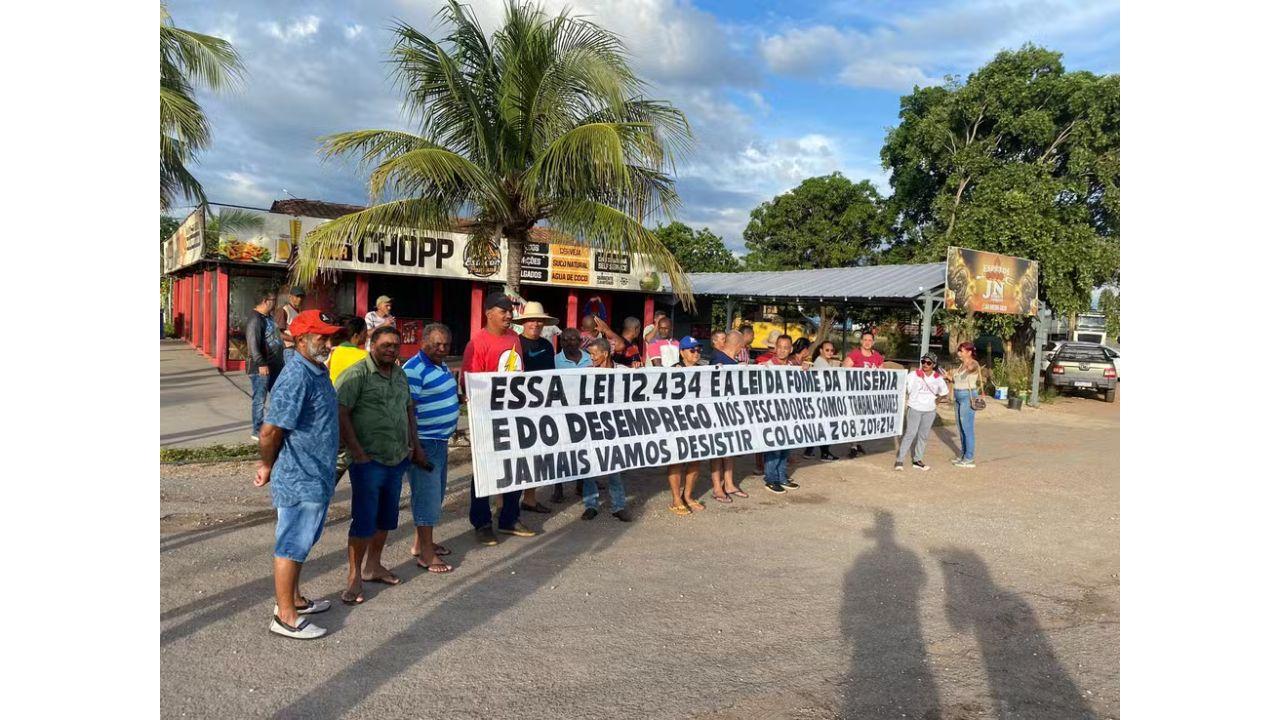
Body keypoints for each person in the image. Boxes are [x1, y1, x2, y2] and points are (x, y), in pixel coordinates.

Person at [253, 309, 343, 639]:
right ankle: (285, 616)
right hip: (299, 476)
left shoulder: (316, 370)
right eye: (322, 336)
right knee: (292, 543)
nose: (329, 342)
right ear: (302, 339)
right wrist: (266, 465)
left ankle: (294, 599)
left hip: (316, 473)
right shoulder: (296, 377)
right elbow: (269, 432)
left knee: (303, 540)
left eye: (331, 335)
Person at [335, 325, 426, 605]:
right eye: (385, 344)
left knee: (386, 518)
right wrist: (358, 452)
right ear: (371, 345)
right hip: (368, 461)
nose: (391, 349)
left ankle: (373, 566)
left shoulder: (399, 374)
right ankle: (354, 577)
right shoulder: (356, 375)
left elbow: (408, 408)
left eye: (395, 345)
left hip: (397, 459)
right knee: (364, 520)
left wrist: (415, 446)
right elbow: (340, 413)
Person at [460, 292, 533, 544]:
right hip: (488, 418)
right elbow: (469, 384)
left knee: (515, 468)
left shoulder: (514, 337)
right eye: (503, 311)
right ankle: (481, 522)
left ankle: (509, 518)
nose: (509, 315)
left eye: (510, 311)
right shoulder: (477, 343)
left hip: (514, 415)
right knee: (485, 470)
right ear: (489, 313)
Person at [402, 323, 460, 574]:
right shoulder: (414, 369)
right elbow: (408, 411)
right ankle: (426, 555)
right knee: (427, 498)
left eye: (446, 344)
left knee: (434, 496)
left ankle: (421, 543)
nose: (442, 348)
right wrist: (416, 447)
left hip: (439, 440)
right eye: (436, 344)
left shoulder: (440, 364)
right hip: (425, 441)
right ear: (423, 342)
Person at [580, 338, 633, 522]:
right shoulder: (585, 373)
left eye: (594, 354)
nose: (591, 358)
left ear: (605, 353)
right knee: (590, 469)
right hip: (592, 425)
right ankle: (591, 505)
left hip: (615, 427)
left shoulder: (624, 372)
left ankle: (618, 506)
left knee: (615, 468)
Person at [513, 301, 558, 514]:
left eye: (539, 320)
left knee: (537, 455)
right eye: (532, 319)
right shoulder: (515, 344)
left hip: (541, 408)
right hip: (518, 408)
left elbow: (551, 378)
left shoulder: (548, 346)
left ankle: (529, 499)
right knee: (514, 456)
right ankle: (503, 504)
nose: (536, 323)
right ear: (523, 322)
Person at [667, 336, 706, 515]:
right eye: (692, 350)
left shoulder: (706, 371)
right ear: (682, 352)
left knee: (695, 461)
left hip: (698, 423)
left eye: (698, 350)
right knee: (676, 460)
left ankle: (688, 495)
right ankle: (676, 498)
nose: (696, 353)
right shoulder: (671, 371)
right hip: (677, 423)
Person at [708, 332, 748, 503]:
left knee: (730, 447)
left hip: (731, 411)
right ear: (738, 345)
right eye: (742, 346)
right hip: (718, 411)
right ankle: (717, 487)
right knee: (718, 450)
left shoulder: (731, 361)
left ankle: (729, 483)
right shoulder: (718, 359)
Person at [758, 335, 800, 493]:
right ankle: (770, 478)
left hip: (789, 412)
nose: (782, 350)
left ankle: (782, 476)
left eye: (786, 347)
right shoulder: (767, 366)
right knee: (774, 447)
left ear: (790, 349)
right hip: (772, 414)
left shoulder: (793, 365)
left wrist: (804, 370)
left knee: (786, 447)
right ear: (775, 347)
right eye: (779, 347)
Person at [895, 352, 949, 472]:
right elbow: (902, 384)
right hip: (914, 408)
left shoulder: (937, 378)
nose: (925, 364)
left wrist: (937, 401)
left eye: (928, 363)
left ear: (933, 365)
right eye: (923, 362)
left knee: (923, 436)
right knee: (910, 433)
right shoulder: (914, 374)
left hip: (930, 411)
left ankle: (917, 460)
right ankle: (900, 460)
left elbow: (944, 392)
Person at [246, 289, 285, 441]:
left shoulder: (267, 317)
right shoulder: (255, 319)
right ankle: (257, 429)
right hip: (260, 368)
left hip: (274, 365)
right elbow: (253, 344)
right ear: (265, 301)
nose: (275, 304)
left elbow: (274, 335)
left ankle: (275, 425)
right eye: (273, 300)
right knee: (259, 399)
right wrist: (261, 363)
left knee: (278, 394)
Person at [843, 330, 885, 458]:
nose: (867, 343)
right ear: (861, 341)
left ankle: (858, 442)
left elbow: (882, 373)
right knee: (855, 419)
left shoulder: (877, 355)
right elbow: (844, 370)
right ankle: (853, 445)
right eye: (865, 340)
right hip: (856, 393)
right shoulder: (855, 354)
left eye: (870, 340)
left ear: (873, 342)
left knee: (864, 419)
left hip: (870, 394)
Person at [946, 341, 982, 468]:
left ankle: (969, 458)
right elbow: (958, 380)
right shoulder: (960, 365)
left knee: (967, 428)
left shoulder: (973, 363)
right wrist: (949, 377)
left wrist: (968, 366)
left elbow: (972, 369)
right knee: (960, 427)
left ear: (969, 352)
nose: (959, 353)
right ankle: (963, 454)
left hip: (968, 397)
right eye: (959, 351)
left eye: (962, 351)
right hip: (958, 397)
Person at [803, 340, 841, 462]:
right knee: (825, 426)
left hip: (821, 399)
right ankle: (824, 453)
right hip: (822, 400)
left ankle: (809, 451)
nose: (830, 352)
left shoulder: (823, 362)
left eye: (831, 350)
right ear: (821, 350)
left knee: (820, 425)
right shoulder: (821, 363)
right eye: (827, 350)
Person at [328, 317, 369, 384]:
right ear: (356, 336)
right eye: (365, 332)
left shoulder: (335, 351)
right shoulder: (366, 356)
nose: (367, 335)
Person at [276, 285, 306, 363]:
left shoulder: (300, 311)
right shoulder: (284, 310)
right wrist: (294, 339)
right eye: (297, 296)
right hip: (289, 349)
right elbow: (277, 333)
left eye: (302, 297)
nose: (300, 299)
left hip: (299, 349)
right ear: (290, 297)